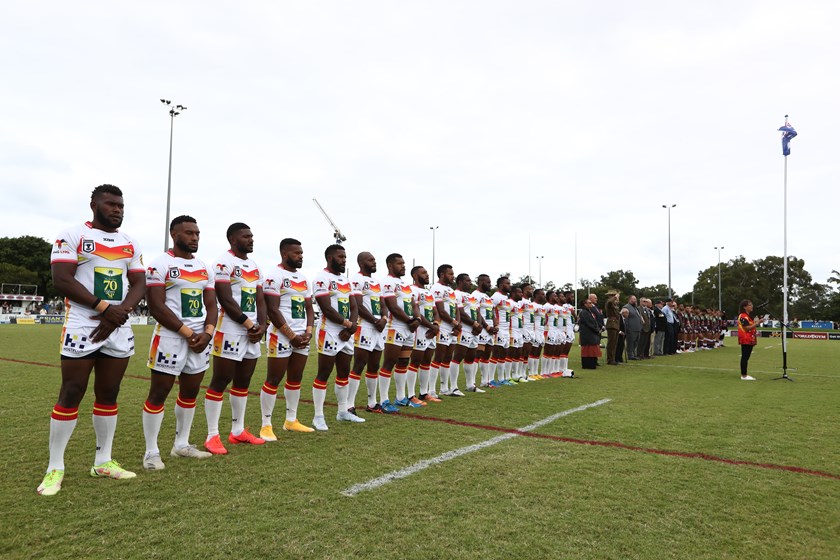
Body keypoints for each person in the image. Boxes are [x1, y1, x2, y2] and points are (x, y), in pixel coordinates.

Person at [40, 184, 146, 496]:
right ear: (94, 205)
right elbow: (62, 280)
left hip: (119, 324)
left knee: (109, 393)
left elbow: (139, 282)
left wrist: (121, 312)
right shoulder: (71, 235)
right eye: (111, 204)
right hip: (83, 322)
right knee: (72, 391)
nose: (117, 210)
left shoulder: (130, 242)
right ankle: (54, 466)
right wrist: (103, 308)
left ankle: (103, 460)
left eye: (121, 206)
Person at [141, 215, 216, 470]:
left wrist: (207, 333)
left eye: (197, 233)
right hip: (170, 338)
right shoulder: (159, 265)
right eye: (189, 233)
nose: (194, 237)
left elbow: (211, 305)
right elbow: (156, 306)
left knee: (190, 392)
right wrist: (187, 333)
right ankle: (151, 452)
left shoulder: (205, 267)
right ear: (174, 235)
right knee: (159, 393)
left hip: (200, 340)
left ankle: (181, 445)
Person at [204, 223, 267, 454]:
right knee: (221, 381)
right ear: (232, 238)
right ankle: (212, 435)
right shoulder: (223, 262)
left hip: (252, 331)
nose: (251, 240)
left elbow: (260, 299)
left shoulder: (254, 266)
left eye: (252, 236)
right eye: (246, 236)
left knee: (243, 382)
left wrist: (262, 325)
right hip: (230, 328)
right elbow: (225, 298)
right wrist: (250, 324)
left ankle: (238, 431)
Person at [260, 238, 315, 440]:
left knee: (295, 378)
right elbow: (272, 310)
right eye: (296, 253)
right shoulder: (274, 276)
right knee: (274, 379)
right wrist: (291, 336)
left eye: (301, 252)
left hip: (302, 336)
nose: (301, 256)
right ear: (284, 254)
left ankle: (291, 420)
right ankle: (266, 424)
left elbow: (309, 308)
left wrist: (308, 332)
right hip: (281, 336)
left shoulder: (302, 278)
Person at [312, 244, 364, 430]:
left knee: (344, 372)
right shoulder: (321, 278)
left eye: (345, 257)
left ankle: (343, 412)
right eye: (341, 257)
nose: (344, 260)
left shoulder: (345, 280)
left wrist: (350, 328)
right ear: (330, 258)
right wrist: (348, 325)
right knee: (324, 373)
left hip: (346, 332)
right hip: (329, 331)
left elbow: (354, 306)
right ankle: (318, 416)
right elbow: (326, 308)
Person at [379, 253, 420, 412]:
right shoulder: (387, 282)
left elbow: (413, 304)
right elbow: (391, 306)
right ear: (390, 265)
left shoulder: (405, 284)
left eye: (404, 263)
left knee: (403, 362)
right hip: (394, 327)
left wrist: (416, 319)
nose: (403, 266)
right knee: (389, 363)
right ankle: (383, 400)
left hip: (408, 328)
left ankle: (401, 397)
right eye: (399, 264)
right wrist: (410, 321)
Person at [349, 252, 387, 413]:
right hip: (365, 327)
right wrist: (374, 321)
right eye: (371, 260)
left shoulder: (377, 283)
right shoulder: (356, 280)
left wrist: (384, 318)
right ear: (361, 262)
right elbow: (357, 304)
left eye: (374, 259)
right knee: (359, 364)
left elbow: (383, 303)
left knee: (374, 365)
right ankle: (349, 404)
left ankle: (372, 403)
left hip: (379, 328)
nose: (374, 262)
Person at [430, 264, 463, 396]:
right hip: (443, 327)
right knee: (438, 357)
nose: (452, 276)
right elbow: (440, 310)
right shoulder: (436, 288)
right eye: (450, 274)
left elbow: (456, 309)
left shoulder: (451, 291)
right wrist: (454, 323)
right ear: (442, 274)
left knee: (447, 358)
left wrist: (457, 325)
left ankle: (444, 389)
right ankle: (431, 389)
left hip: (452, 328)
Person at [409, 265, 438, 404]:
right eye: (424, 273)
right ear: (415, 276)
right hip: (420, 330)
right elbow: (416, 311)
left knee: (427, 362)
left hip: (431, 331)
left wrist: (436, 325)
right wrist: (430, 326)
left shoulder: (429, 292)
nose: (427, 275)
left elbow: (435, 311)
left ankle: (424, 392)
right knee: (415, 362)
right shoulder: (412, 290)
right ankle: (410, 394)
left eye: (427, 272)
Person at [453, 273, 484, 392]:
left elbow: (478, 312)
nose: (470, 283)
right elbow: (460, 313)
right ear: (460, 281)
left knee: (471, 357)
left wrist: (479, 325)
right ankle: (453, 386)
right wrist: (474, 324)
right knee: (458, 357)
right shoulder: (456, 294)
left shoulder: (471, 296)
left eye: (470, 281)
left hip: (474, 331)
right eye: (467, 281)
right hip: (464, 329)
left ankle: (470, 385)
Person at [472, 274, 499, 388]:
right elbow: (477, 312)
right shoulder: (475, 295)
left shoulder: (488, 297)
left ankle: (485, 381)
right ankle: (472, 382)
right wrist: (487, 327)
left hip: (490, 330)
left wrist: (495, 325)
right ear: (481, 282)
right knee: (478, 354)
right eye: (488, 282)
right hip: (482, 329)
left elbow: (492, 312)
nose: (490, 284)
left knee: (487, 355)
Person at [737, 299, 759, 380]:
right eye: (749, 305)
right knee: (745, 357)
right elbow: (746, 328)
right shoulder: (743, 316)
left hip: (749, 338)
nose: (751, 306)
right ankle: (744, 375)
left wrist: (757, 322)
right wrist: (756, 323)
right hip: (746, 338)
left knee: (746, 357)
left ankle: (744, 374)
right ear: (745, 307)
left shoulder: (748, 316)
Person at [578, 298, 601, 369]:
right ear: (585, 304)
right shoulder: (584, 312)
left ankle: (592, 364)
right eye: (589, 303)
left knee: (592, 350)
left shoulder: (589, 312)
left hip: (591, 334)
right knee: (588, 350)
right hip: (587, 334)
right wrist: (597, 330)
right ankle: (588, 365)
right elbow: (589, 323)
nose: (591, 304)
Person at [622, 296, 642, 360]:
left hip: (637, 328)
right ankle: (630, 355)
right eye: (633, 299)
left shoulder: (635, 308)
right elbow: (625, 318)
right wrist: (627, 327)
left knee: (636, 342)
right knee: (630, 342)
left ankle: (633, 354)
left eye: (635, 299)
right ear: (629, 300)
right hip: (631, 328)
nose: (635, 300)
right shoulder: (626, 307)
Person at [604, 290, 620, 365]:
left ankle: (612, 358)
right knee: (611, 343)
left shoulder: (614, 304)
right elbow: (610, 302)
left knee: (614, 343)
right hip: (611, 323)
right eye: (613, 296)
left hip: (616, 323)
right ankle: (610, 359)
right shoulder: (609, 303)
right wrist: (615, 297)